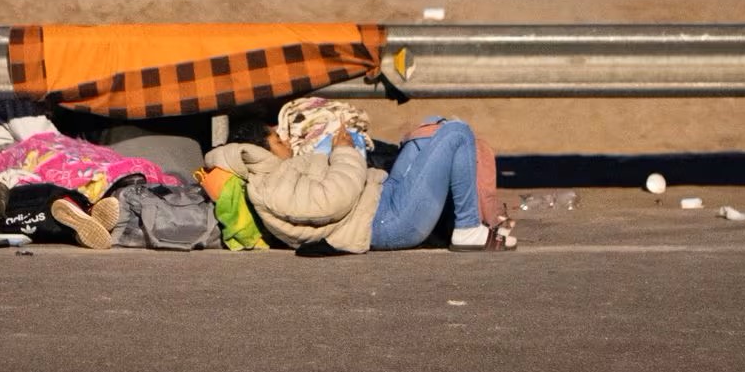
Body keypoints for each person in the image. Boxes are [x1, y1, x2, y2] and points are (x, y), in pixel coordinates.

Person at [204, 110, 514, 255]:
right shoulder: (268, 186)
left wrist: (337, 149)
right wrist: (344, 150)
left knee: (431, 128)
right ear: (261, 148)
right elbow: (332, 202)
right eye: (277, 139)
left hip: (382, 198)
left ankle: (470, 219)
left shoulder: (278, 171)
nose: (285, 142)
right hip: (385, 222)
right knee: (456, 133)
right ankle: (467, 227)